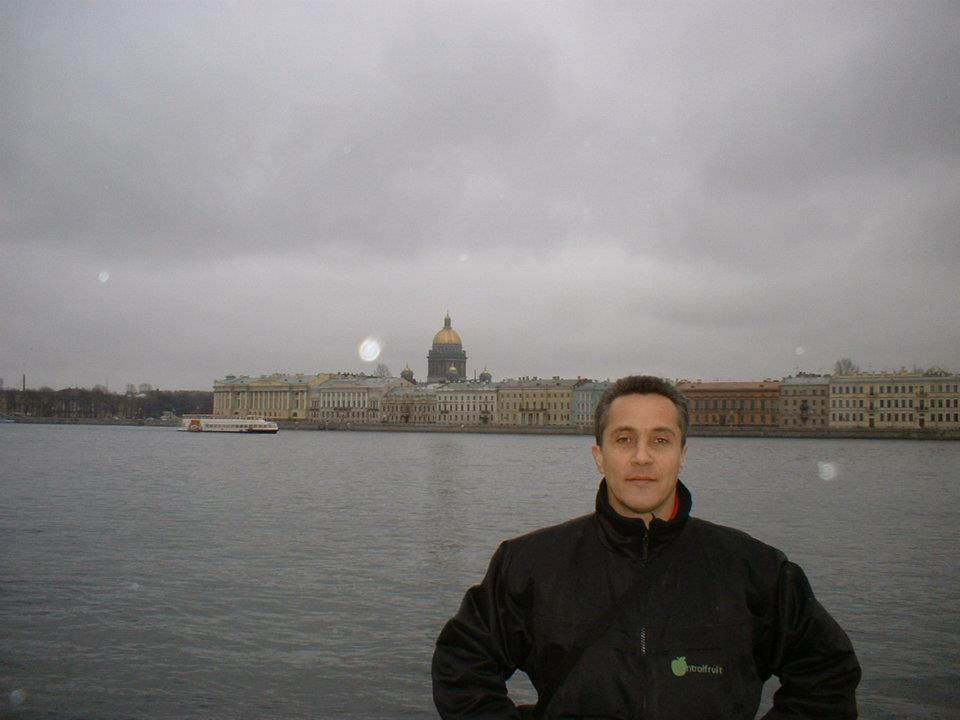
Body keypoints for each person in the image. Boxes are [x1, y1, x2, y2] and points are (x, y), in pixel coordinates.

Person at [432, 375, 860, 719]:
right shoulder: (529, 563)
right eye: (623, 439)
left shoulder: (755, 569)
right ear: (599, 455)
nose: (641, 457)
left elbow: (827, 674)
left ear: (683, 454)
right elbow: (461, 668)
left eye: (660, 440)